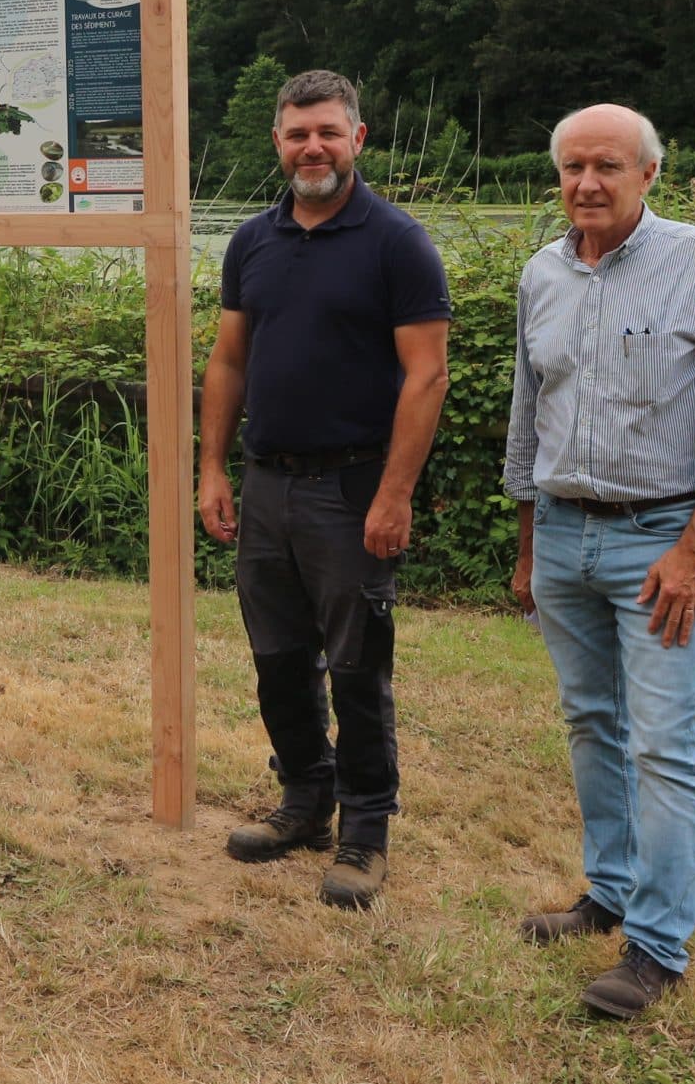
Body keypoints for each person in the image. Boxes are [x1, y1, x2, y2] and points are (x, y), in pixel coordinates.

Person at [504, 103, 695, 1020]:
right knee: (590, 722)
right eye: (573, 166)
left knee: (663, 743)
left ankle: (656, 946)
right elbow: (528, 417)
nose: (587, 183)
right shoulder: (540, 273)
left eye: (607, 166)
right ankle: (608, 892)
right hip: (564, 533)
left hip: (663, 540)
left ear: (650, 173)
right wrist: (531, 543)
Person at [197, 68, 452, 910]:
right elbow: (229, 359)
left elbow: (427, 376)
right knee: (277, 660)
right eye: (297, 133)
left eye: (328, 133)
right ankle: (305, 800)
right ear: (278, 141)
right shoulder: (253, 241)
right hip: (268, 484)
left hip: (352, 487)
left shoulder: (397, 242)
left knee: (356, 664)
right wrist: (212, 468)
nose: (313, 147)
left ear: (357, 139)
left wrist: (394, 493)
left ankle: (366, 831)